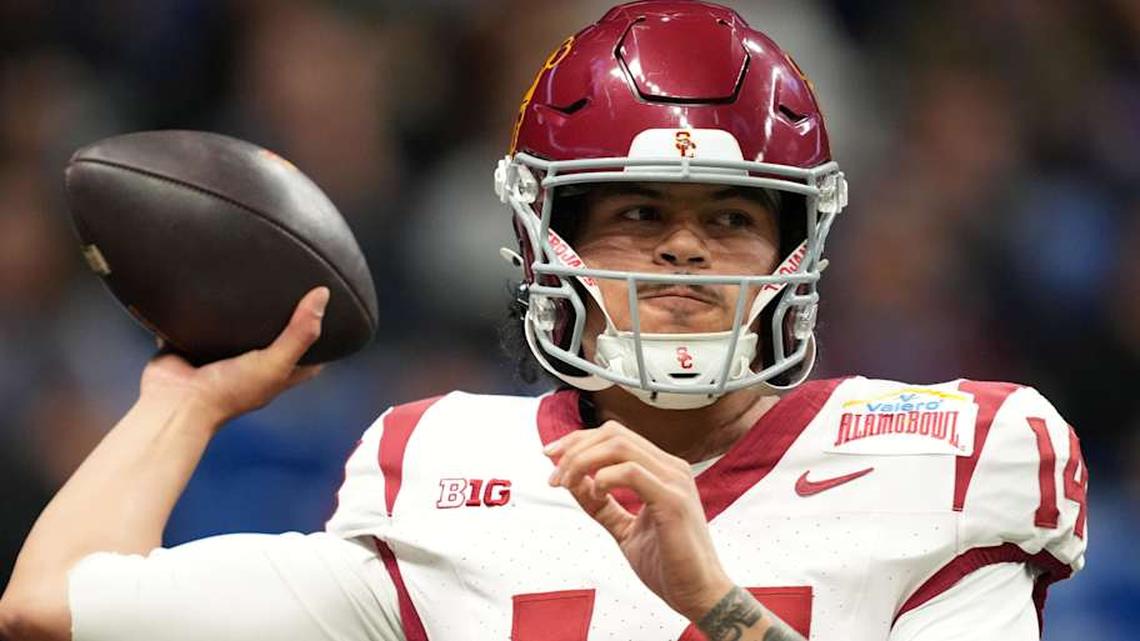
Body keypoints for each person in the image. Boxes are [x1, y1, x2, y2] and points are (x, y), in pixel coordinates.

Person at [0, 2, 1087, 640]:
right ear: (545, 242)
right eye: (637, 211)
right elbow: (53, 602)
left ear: (794, 249)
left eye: (729, 215)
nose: (683, 247)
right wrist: (185, 397)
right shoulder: (439, 470)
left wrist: (713, 604)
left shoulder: (948, 454)